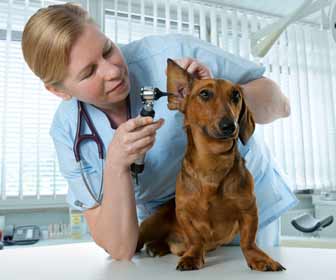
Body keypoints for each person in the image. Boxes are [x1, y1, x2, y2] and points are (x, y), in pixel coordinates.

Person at [21, 3, 298, 260]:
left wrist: (216, 99)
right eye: (89, 72)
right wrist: (116, 164)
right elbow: (120, 249)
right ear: (58, 90)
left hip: (241, 209)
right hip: (173, 228)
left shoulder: (172, 55)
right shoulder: (69, 133)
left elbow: (280, 104)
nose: (112, 71)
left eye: (107, 50)